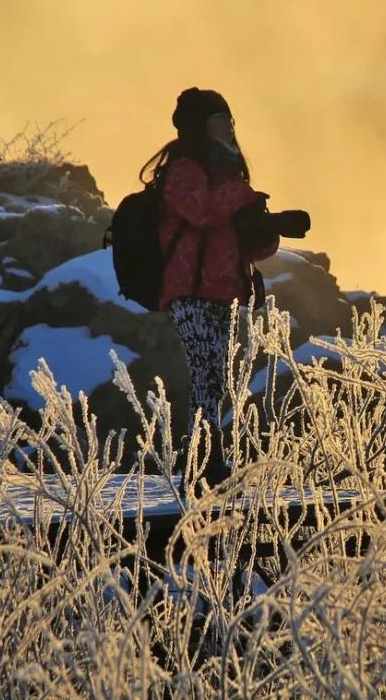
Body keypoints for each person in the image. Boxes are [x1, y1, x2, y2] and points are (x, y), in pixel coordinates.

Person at [138, 87, 280, 484]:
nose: (231, 126)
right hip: (191, 292)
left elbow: (241, 241)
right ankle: (203, 460)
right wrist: (244, 195)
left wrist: (268, 227)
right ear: (203, 125)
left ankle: (205, 458)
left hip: (225, 291)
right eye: (222, 119)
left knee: (215, 375)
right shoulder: (184, 168)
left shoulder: (227, 173)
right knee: (207, 373)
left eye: (231, 119)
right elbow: (200, 211)